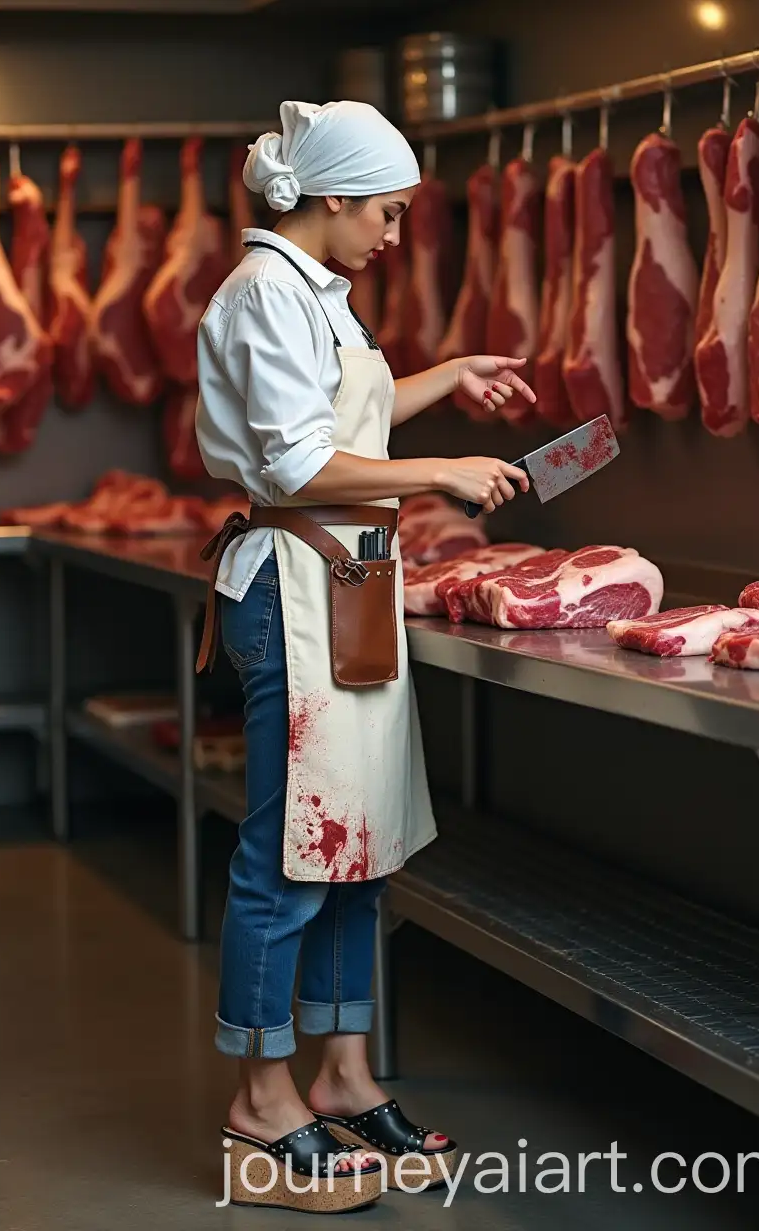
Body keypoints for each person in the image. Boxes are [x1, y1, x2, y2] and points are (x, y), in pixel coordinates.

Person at [195, 99, 535, 1214]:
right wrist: (435, 472)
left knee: (356, 845)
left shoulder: (316, 296)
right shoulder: (262, 295)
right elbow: (295, 467)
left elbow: (348, 418)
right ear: (332, 197)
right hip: (293, 588)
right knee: (290, 851)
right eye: (386, 210)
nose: (395, 230)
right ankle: (261, 1095)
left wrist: (448, 376)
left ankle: (340, 1070)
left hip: (343, 590)